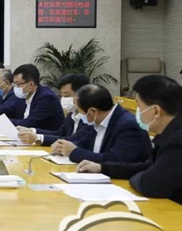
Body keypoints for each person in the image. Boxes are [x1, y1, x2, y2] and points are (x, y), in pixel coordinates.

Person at [78, 76, 182, 204]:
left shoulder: (177, 141)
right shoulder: (169, 133)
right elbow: (147, 167)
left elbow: (150, 184)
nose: (137, 112)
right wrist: (102, 168)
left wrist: (136, 178)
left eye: (139, 106)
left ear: (156, 111)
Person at [52, 84, 152, 164]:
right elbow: (84, 142)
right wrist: (64, 147)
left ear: (93, 111)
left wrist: (74, 152)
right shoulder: (97, 120)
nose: (80, 115)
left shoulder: (127, 125)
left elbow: (115, 160)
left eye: (80, 111)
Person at [18, 74, 93, 146]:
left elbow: (74, 139)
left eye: (67, 95)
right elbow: (59, 134)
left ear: (82, 94)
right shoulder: (71, 114)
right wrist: (32, 131)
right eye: (62, 95)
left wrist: (38, 138)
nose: (63, 99)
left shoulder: (90, 117)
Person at [9, 64, 64, 130]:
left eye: (18, 84)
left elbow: (29, 124)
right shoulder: (25, 95)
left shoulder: (46, 98)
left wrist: (5, 122)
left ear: (31, 84)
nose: (15, 88)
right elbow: (10, 110)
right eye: (14, 84)